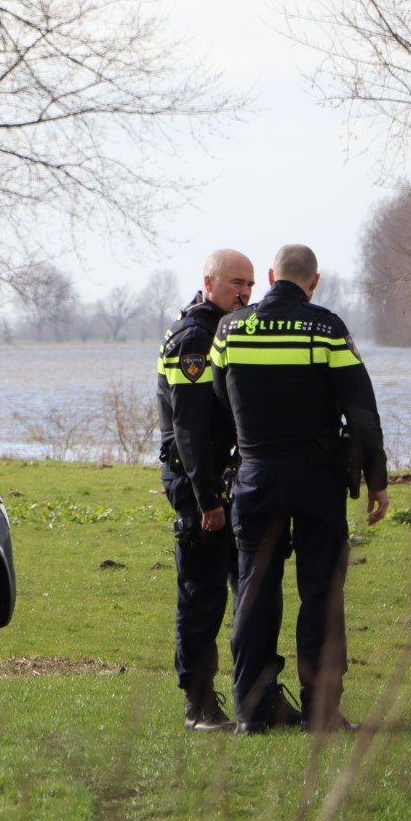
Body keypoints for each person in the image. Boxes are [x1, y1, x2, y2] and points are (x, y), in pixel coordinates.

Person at [210, 243, 389, 734]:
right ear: (314, 281)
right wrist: (377, 481)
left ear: (270, 276)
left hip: (255, 476)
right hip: (316, 479)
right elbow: (362, 411)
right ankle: (321, 711)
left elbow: (217, 397)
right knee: (322, 594)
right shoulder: (327, 328)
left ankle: (251, 711)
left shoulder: (230, 329)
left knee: (254, 593)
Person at [156, 248, 255, 731]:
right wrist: (207, 501)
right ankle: (198, 704)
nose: (244, 293)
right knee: (202, 596)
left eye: (251, 285)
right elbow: (189, 431)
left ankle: (251, 699)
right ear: (209, 281)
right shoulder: (195, 337)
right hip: (199, 484)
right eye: (236, 282)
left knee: (240, 590)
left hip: (223, 481)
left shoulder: (223, 331)